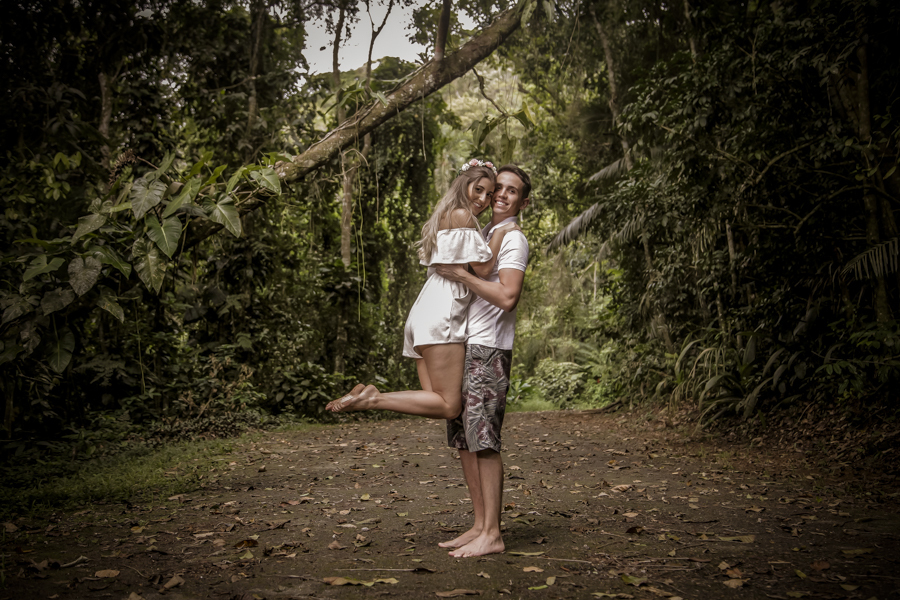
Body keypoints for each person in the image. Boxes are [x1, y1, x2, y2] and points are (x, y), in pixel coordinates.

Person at [325, 160, 519, 420]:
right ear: (463, 185)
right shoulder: (463, 216)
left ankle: (370, 396)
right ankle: (374, 398)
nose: (483, 199)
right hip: (443, 313)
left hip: (424, 311)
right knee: (450, 406)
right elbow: (484, 269)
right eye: (478, 190)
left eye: (489, 194)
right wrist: (501, 232)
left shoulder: (444, 215)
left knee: (434, 400)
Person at [434, 164, 531, 558]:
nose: (501, 195)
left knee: (485, 439)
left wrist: (462, 276)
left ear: (523, 201)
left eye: (512, 191)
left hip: (489, 348)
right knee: (464, 439)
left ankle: (493, 533)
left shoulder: (514, 239)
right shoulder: (486, 231)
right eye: (498, 189)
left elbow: (507, 297)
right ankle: (479, 524)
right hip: (466, 343)